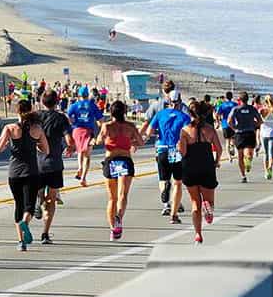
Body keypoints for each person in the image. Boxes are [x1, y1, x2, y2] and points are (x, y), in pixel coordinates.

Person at [0, 99, 49, 250]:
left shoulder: (10, 128)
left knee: (18, 205)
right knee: (29, 206)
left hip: (14, 173)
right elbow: (46, 150)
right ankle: (25, 222)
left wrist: (7, 143)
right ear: (30, 110)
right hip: (31, 172)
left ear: (17, 111)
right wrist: (36, 145)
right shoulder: (37, 129)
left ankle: (21, 242)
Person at [94, 100, 143, 240]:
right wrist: (129, 142)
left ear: (111, 112)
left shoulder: (107, 126)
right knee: (123, 195)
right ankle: (119, 217)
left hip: (111, 160)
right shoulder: (130, 126)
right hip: (125, 160)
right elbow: (140, 142)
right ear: (124, 112)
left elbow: (99, 141)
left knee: (112, 198)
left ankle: (113, 229)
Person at [176, 99, 223, 244]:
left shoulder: (185, 131)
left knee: (195, 203)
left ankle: (198, 234)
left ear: (190, 113)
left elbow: (183, 152)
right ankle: (208, 207)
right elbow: (219, 149)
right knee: (210, 200)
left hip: (190, 168)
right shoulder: (209, 129)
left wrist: (180, 146)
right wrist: (216, 161)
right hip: (206, 166)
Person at [147, 91, 191, 222]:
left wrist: (159, 133)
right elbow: (188, 135)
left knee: (163, 179)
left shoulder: (160, 114)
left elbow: (149, 131)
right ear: (180, 101)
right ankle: (174, 214)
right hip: (176, 151)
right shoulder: (184, 117)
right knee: (177, 182)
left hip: (161, 149)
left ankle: (165, 202)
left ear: (168, 101)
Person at [34, 90, 72, 244]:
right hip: (55, 164)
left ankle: (38, 199)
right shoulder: (61, 118)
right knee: (52, 200)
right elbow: (69, 140)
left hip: (37, 163)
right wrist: (70, 148)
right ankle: (45, 234)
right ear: (57, 101)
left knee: (40, 192)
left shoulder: (36, 117)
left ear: (42, 101)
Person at [65, 86, 102, 187]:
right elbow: (100, 120)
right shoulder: (92, 105)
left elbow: (67, 117)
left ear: (78, 95)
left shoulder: (74, 105)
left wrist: (72, 122)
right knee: (87, 155)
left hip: (76, 131)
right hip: (88, 131)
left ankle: (79, 167)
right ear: (87, 95)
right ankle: (83, 178)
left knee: (80, 150)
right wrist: (100, 128)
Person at [259, 96, 273, 180]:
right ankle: (270, 168)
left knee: (265, 153)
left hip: (264, 134)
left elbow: (258, 120)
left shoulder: (262, 110)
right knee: (271, 153)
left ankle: (266, 171)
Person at [215, 91, 237, 160]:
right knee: (233, 138)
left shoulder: (222, 105)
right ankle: (232, 146)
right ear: (232, 97)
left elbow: (217, 114)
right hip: (233, 124)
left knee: (227, 140)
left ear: (225, 97)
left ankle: (229, 157)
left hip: (225, 124)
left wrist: (218, 122)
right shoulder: (235, 104)